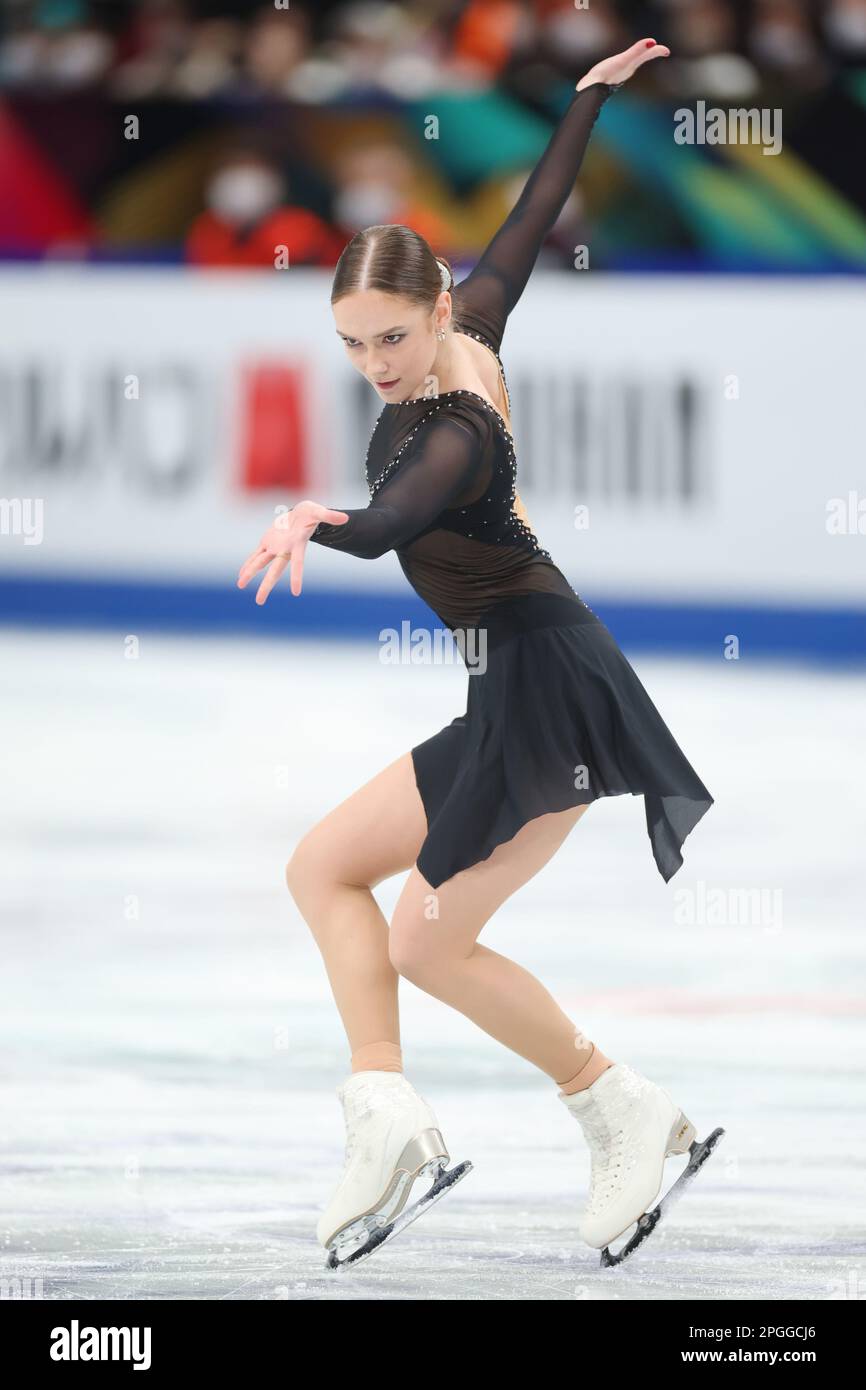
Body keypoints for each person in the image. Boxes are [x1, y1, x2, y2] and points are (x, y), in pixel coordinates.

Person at [238, 38, 719, 1270]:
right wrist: (584, 99)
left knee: (424, 938)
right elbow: (527, 215)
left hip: (550, 682)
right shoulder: (478, 317)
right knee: (322, 869)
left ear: (435, 309)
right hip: (515, 676)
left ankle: (624, 1112)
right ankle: (387, 1113)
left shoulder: (452, 426)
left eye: (389, 337)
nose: (374, 366)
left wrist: (311, 516)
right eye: (351, 345)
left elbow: (388, 525)